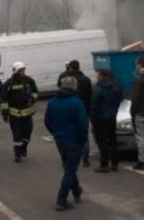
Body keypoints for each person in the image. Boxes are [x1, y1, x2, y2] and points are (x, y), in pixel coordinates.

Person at [44, 76, 89, 212]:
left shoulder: (52, 102)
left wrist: (56, 133)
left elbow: (47, 121)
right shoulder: (77, 103)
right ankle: (61, 200)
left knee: (69, 166)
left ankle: (76, 191)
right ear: (74, 87)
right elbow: (83, 125)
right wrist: (82, 140)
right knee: (69, 170)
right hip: (74, 141)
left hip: (60, 140)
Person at [1, 61, 39, 163]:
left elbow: (35, 92)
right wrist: (4, 113)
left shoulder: (29, 81)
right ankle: (17, 154)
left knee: (27, 133)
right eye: (21, 70)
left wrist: (33, 99)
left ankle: (24, 147)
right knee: (17, 135)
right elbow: (4, 99)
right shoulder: (9, 83)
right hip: (14, 114)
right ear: (16, 71)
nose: (23, 72)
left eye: (24, 70)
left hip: (27, 113)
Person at [57, 60, 93, 167]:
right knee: (83, 133)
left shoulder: (66, 79)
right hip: (83, 110)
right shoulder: (86, 79)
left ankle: (68, 157)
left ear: (70, 68)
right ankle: (85, 157)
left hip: (69, 110)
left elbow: (61, 91)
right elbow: (90, 95)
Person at [90, 69, 123, 173]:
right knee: (112, 139)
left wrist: (91, 114)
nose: (96, 77)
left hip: (99, 117)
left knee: (102, 141)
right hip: (112, 115)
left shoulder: (98, 88)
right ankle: (115, 163)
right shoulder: (116, 86)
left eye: (98, 75)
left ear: (102, 76)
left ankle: (104, 164)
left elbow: (93, 102)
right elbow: (121, 97)